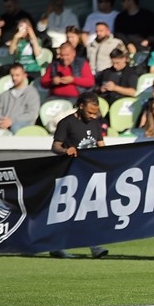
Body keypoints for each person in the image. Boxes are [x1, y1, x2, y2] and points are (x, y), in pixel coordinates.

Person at [49, 91, 110, 259]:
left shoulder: (95, 123)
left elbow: (101, 146)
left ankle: (94, 246)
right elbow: (55, 146)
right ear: (81, 106)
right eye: (90, 112)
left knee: (92, 210)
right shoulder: (66, 123)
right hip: (72, 174)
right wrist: (65, 150)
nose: (93, 115)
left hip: (92, 173)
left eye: (95, 112)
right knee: (70, 212)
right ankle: (57, 245)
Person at [0, 63, 40, 134]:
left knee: (15, 127)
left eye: (17, 75)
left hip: (23, 123)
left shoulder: (32, 93)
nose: (14, 78)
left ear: (24, 75)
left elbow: (32, 114)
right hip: (3, 122)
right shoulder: (5, 94)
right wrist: (1, 120)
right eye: (12, 75)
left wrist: (12, 121)